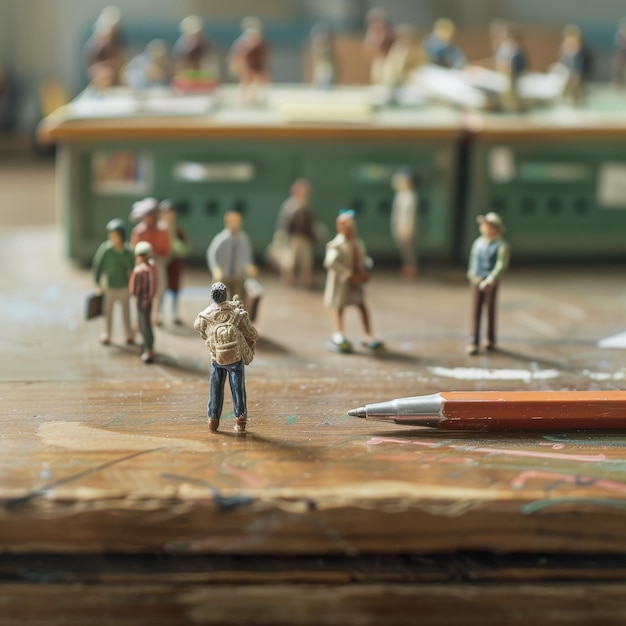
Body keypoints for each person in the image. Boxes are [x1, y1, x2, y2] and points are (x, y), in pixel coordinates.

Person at [194, 282, 258, 434]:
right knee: (238, 390)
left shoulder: (207, 313)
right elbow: (253, 333)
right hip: (235, 358)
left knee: (215, 389)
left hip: (217, 357)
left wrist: (209, 336)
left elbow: (197, 325)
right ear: (226, 295)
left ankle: (212, 421)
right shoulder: (236, 312)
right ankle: (240, 421)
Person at [323, 209, 383, 354]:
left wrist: (367, 267)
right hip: (343, 282)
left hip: (357, 280)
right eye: (347, 227)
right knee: (339, 307)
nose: (351, 230)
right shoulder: (336, 245)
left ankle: (368, 335)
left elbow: (363, 257)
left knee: (362, 305)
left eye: (352, 227)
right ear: (340, 227)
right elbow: (330, 262)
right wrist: (348, 274)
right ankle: (339, 333)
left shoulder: (357, 243)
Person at [466, 212, 510, 356]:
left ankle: (491, 339)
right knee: (475, 311)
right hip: (477, 280)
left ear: (495, 229)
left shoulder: (501, 245)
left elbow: (500, 265)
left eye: (488, 226)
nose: (484, 228)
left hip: (490, 282)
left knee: (490, 309)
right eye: (484, 225)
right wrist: (472, 273)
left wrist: (492, 278)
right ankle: (473, 340)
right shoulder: (478, 243)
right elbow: (473, 260)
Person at [92, 218, 135, 346]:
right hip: (109, 287)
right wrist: (97, 282)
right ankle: (107, 333)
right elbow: (98, 266)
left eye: (116, 235)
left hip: (123, 286)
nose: (113, 238)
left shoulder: (127, 251)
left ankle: (128, 333)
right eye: (111, 235)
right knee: (108, 312)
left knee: (126, 312)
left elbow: (132, 269)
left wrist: (132, 286)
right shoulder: (105, 250)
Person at [129, 197, 171, 327]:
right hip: (142, 262)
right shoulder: (139, 231)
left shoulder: (162, 230)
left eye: (152, 215)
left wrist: (159, 255)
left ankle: (156, 314)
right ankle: (139, 317)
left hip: (158, 262)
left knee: (159, 289)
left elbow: (166, 249)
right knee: (140, 290)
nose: (149, 218)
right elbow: (133, 247)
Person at [206, 210, 257, 312]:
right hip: (224, 276)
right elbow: (212, 255)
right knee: (223, 300)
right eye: (233, 221)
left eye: (238, 221)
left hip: (238, 276)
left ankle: (237, 319)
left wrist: (248, 266)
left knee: (239, 298)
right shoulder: (221, 239)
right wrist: (215, 269)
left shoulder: (243, 238)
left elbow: (246, 255)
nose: (236, 224)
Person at [275, 179, 317, 288]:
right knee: (289, 261)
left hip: (305, 237)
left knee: (306, 261)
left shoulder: (306, 205)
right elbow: (284, 222)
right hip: (292, 237)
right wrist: (282, 237)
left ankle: (306, 280)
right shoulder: (289, 205)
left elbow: (311, 221)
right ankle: (288, 279)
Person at [228, 16, 270, 105]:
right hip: (248, 68)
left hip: (258, 68)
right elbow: (236, 56)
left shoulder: (261, 44)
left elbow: (265, 56)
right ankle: (243, 99)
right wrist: (237, 66)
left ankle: (257, 99)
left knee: (259, 84)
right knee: (246, 83)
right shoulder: (241, 44)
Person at [159, 200, 188, 325]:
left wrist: (177, 247)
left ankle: (174, 313)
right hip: (162, 262)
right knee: (160, 288)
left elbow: (184, 247)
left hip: (175, 262)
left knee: (175, 289)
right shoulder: (159, 230)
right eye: (166, 213)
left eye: (171, 213)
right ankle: (159, 313)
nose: (169, 216)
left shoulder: (178, 230)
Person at [129, 241, 157, 364]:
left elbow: (151, 287)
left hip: (144, 301)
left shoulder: (147, 270)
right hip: (140, 300)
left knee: (145, 325)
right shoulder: (143, 269)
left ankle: (149, 349)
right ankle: (145, 345)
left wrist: (148, 298)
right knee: (141, 323)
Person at [390, 168, 418, 278]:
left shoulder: (410, 196)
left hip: (405, 227)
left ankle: (411, 268)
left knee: (409, 249)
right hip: (398, 226)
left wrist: (408, 227)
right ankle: (407, 266)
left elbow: (410, 215)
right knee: (403, 247)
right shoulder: (400, 195)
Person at [557, 24, 592, 105]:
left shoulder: (581, 49)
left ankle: (578, 100)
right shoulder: (565, 47)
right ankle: (565, 99)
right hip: (568, 71)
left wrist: (580, 72)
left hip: (577, 72)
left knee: (577, 87)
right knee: (567, 86)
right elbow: (563, 59)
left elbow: (582, 61)